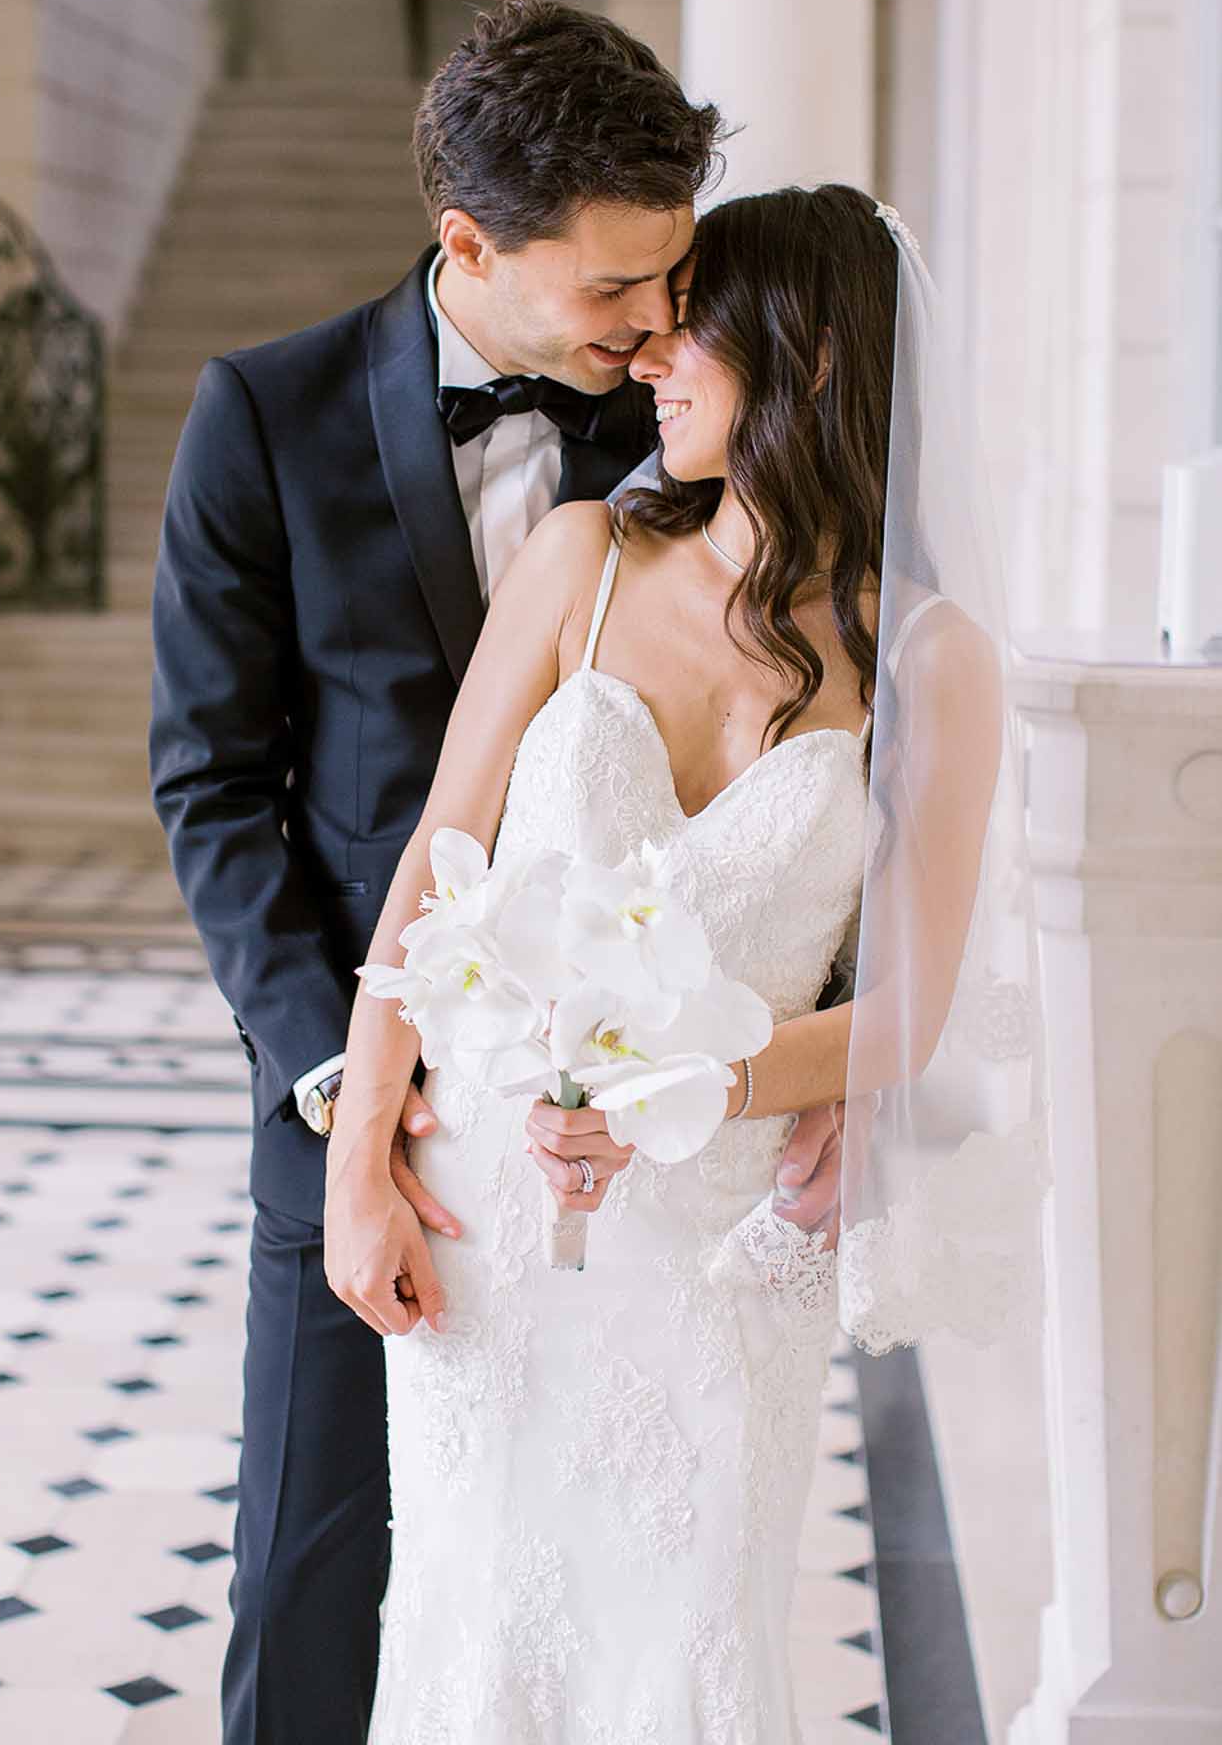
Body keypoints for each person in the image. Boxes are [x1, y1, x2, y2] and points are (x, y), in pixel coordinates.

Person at [149, 0, 848, 1745]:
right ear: (470, 242)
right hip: (363, 1087)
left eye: (673, 279)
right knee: (313, 1559)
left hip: (654, 1141)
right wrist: (343, 1091)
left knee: (618, 1577)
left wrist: (819, 1042)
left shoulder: (695, 425)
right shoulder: (265, 415)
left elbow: (818, 778)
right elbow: (218, 787)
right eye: (614, 290)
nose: (656, 324)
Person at [325, 183, 1013, 1741]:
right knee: (475, 1609)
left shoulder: (926, 658)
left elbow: (913, 1011)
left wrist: (684, 1080)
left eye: (690, 320)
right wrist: (357, 1155)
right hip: (491, 1216)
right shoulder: (579, 564)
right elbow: (436, 868)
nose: (648, 354)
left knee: (688, 1643)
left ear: (814, 357)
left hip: (718, 1246)